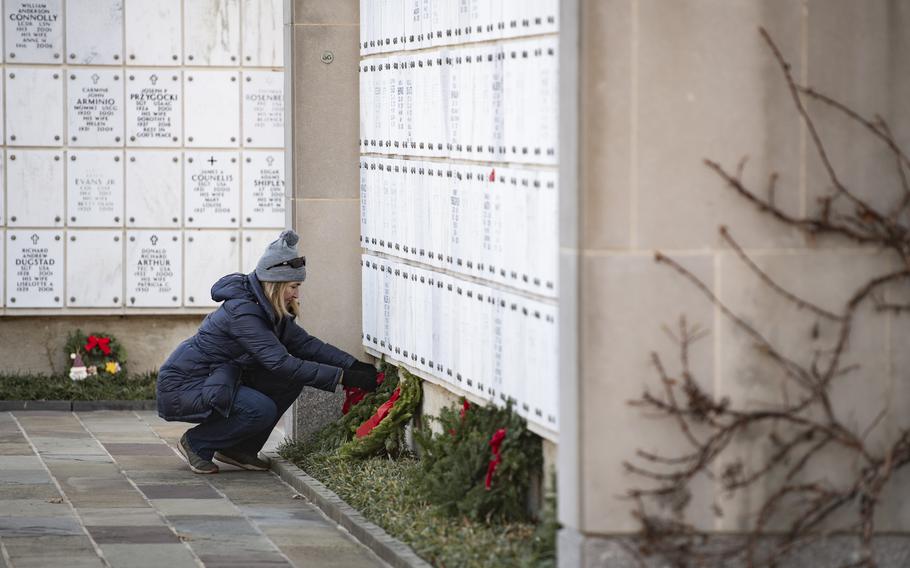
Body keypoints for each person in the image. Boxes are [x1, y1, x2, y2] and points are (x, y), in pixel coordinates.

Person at [156, 229, 379, 474]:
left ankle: (239, 449)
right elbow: (281, 363)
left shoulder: (267, 308)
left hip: (220, 377)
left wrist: (353, 365)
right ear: (276, 284)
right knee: (259, 409)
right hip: (186, 383)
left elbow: (306, 345)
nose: (297, 293)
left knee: (288, 382)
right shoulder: (244, 312)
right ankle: (197, 443)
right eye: (293, 286)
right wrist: (343, 378)